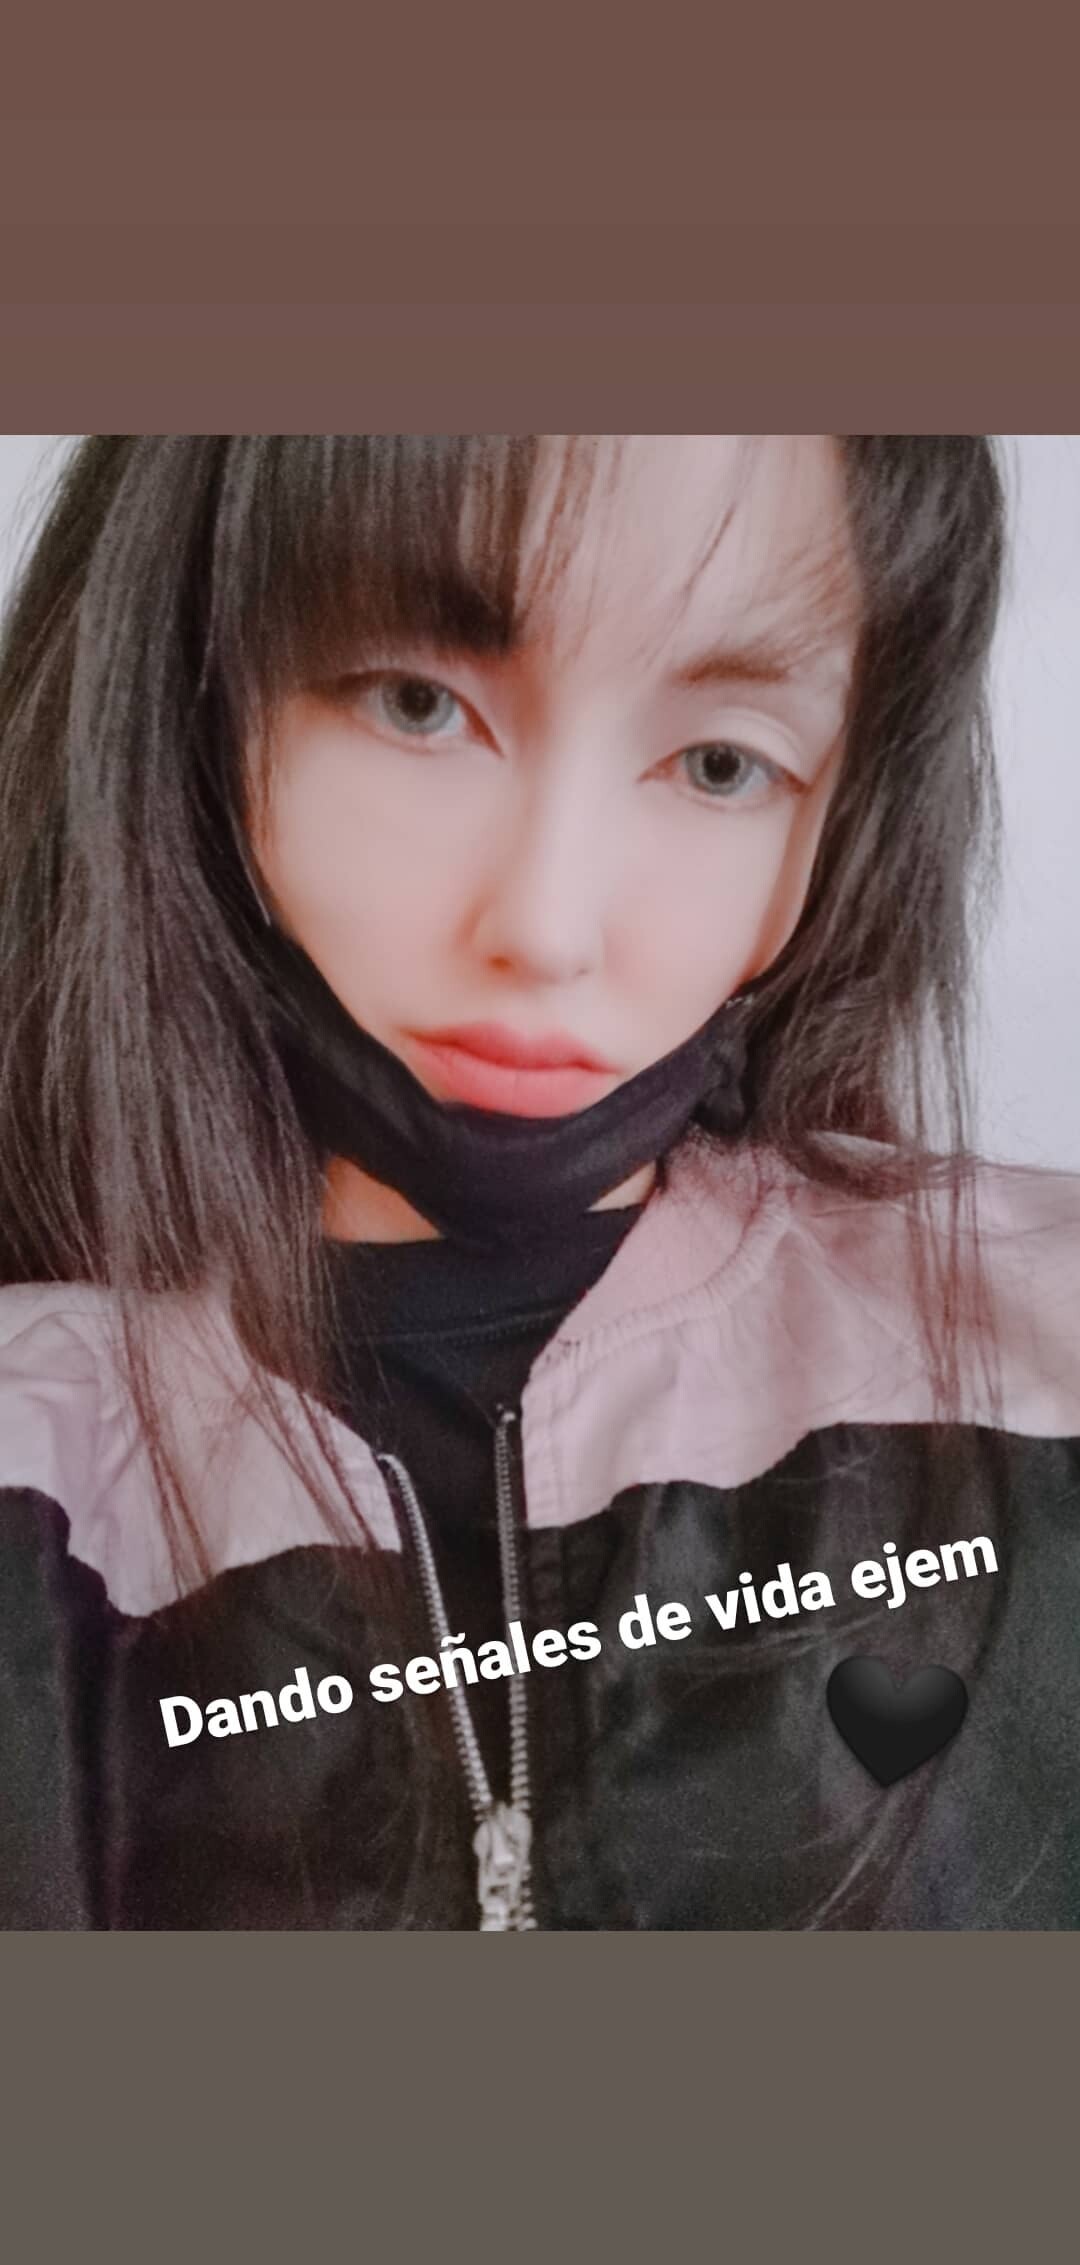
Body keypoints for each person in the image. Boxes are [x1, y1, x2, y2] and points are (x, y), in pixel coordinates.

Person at [0, 433, 1077, 1931]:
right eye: (416, 703)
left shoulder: (1044, 1341)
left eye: (720, 763)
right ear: (198, 700)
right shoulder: (35, 1454)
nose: (549, 926)